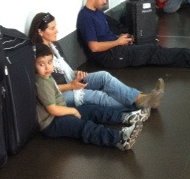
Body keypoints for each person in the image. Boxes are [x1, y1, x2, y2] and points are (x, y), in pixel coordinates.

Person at [29, 12, 164, 110]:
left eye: (56, 27)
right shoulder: (36, 55)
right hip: (59, 94)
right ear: (40, 31)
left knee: (104, 76)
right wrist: (71, 86)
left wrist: (77, 73)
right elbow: (43, 88)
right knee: (98, 96)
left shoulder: (54, 46)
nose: (57, 31)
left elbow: (66, 71)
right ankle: (138, 106)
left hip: (71, 81)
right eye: (52, 28)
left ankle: (141, 98)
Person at [34, 44, 146, 151]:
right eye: (41, 64)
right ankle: (119, 139)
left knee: (92, 110)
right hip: (52, 122)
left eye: (49, 62)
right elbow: (52, 109)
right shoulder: (42, 83)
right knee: (84, 127)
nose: (47, 67)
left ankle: (126, 116)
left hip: (61, 112)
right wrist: (73, 111)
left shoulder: (47, 77)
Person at [77, 0, 190, 69]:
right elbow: (94, 47)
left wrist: (120, 38)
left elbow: (105, 35)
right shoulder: (86, 17)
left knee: (153, 50)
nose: (105, 1)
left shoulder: (98, 12)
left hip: (115, 48)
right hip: (110, 57)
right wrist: (118, 42)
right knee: (151, 51)